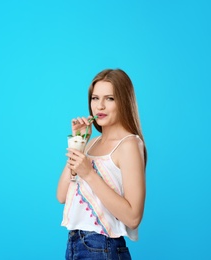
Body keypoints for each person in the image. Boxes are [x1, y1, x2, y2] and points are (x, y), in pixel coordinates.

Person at [57, 69, 147, 260]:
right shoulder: (92, 143)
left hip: (103, 248)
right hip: (74, 245)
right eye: (95, 98)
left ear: (124, 101)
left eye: (110, 99)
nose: (100, 106)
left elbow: (133, 217)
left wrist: (89, 174)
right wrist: (78, 142)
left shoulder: (129, 145)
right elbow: (61, 195)